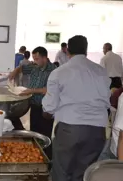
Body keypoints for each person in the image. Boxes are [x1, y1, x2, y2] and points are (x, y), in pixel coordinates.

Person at [42, 35, 111, 181]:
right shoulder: (101, 71)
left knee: (61, 171)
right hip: (97, 130)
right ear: (86, 50)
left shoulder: (59, 72)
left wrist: (47, 113)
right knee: (83, 173)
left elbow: (49, 107)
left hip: (70, 129)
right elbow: (106, 101)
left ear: (67, 50)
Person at [9, 46, 56, 159]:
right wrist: (15, 71)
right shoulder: (34, 67)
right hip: (34, 105)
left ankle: (47, 159)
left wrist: (31, 91)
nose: (34, 61)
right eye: (34, 58)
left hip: (46, 108)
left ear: (44, 58)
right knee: (34, 132)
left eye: (37, 58)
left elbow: (48, 90)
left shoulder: (53, 71)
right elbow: (22, 68)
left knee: (45, 135)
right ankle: (35, 157)